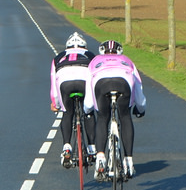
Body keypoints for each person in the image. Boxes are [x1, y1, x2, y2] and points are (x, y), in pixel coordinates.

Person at [86, 39, 146, 181]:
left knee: (102, 118)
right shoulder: (126, 60)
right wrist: (141, 107)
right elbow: (138, 86)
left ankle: (100, 156)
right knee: (125, 117)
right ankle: (129, 161)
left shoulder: (95, 61)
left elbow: (89, 86)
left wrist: (88, 108)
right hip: (123, 82)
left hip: (101, 83)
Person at [50, 31, 96, 168]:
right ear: (84, 46)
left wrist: (55, 103)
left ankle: (66, 147)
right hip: (84, 82)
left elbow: (54, 83)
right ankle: (92, 148)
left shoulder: (58, 57)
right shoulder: (90, 55)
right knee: (88, 112)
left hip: (65, 83)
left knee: (67, 112)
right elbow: (95, 78)